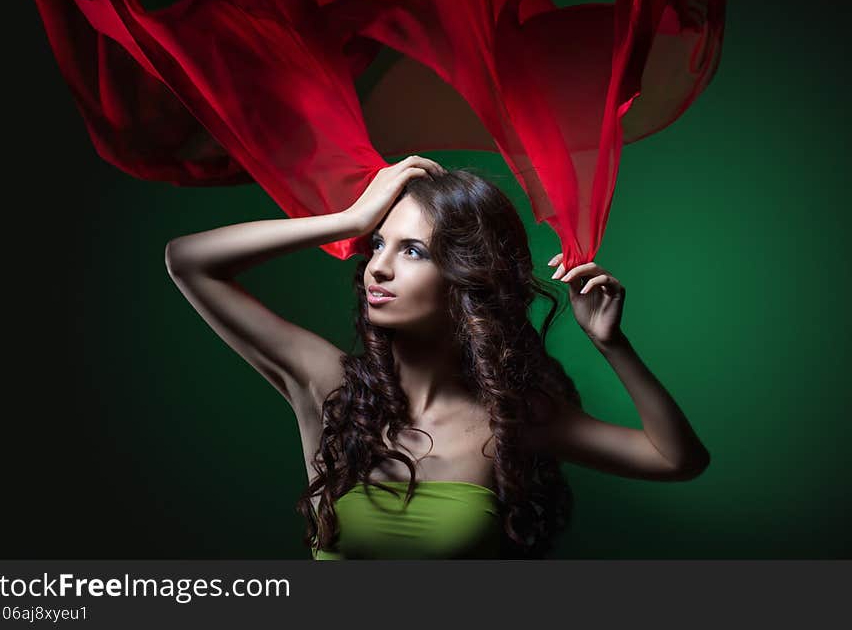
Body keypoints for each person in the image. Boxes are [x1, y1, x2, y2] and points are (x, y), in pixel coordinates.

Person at [164, 155, 710, 559]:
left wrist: (612, 344)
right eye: (378, 245)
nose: (378, 268)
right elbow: (188, 261)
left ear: (466, 278)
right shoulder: (329, 388)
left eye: (413, 251)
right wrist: (349, 222)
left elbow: (677, 459)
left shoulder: (512, 419)